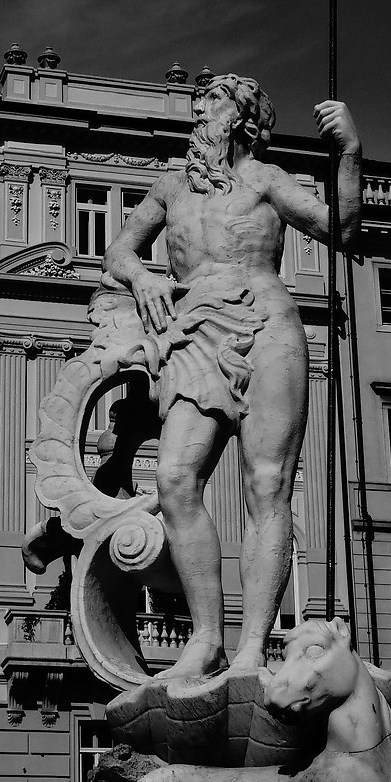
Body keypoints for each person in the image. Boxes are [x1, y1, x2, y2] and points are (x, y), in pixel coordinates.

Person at [103, 72, 362, 681]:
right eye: (199, 100)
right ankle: (206, 639)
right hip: (194, 334)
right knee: (173, 476)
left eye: (213, 100)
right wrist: (142, 277)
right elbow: (119, 252)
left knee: (267, 485)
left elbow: (343, 231)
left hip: (269, 327)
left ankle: (250, 648)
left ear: (243, 117)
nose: (199, 109)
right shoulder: (169, 188)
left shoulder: (267, 181)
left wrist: (349, 153)